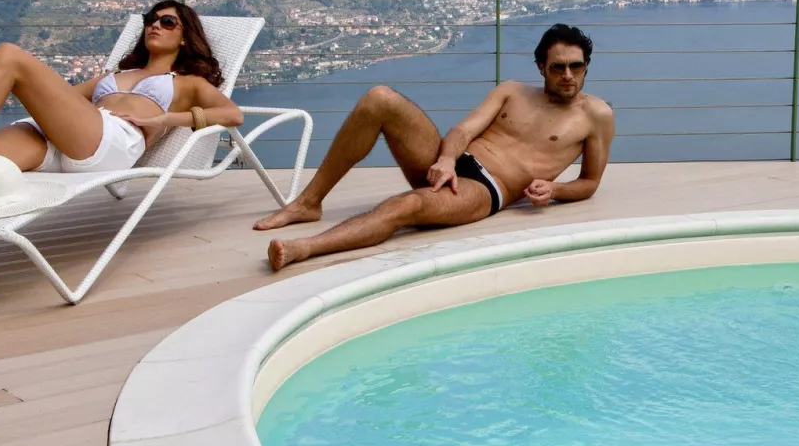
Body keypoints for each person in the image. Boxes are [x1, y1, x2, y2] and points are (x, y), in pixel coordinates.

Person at [257, 22, 614, 271]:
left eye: (576, 67)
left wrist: (554, 189)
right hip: (451, 160)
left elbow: (590, 182)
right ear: (541, 67)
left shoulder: (596, 115)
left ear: (586, 67)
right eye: (558, 67)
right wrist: (445, 158)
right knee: (380, 98)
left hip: (486, 189)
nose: (568, 76)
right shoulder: (512, 91)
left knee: (408, 204)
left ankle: (305, 249)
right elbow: (464, 129)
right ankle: (308, 203)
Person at [0, 0, 243, 216]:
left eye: (167, 22)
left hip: (112, 142)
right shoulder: (116, 74)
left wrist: (166, 118)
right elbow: (60, 98)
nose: (154, 26)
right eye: (150, 20)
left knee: (10, 56)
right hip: (74, 136)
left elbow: (232, 115)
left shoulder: (187, 83)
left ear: (184, 35)